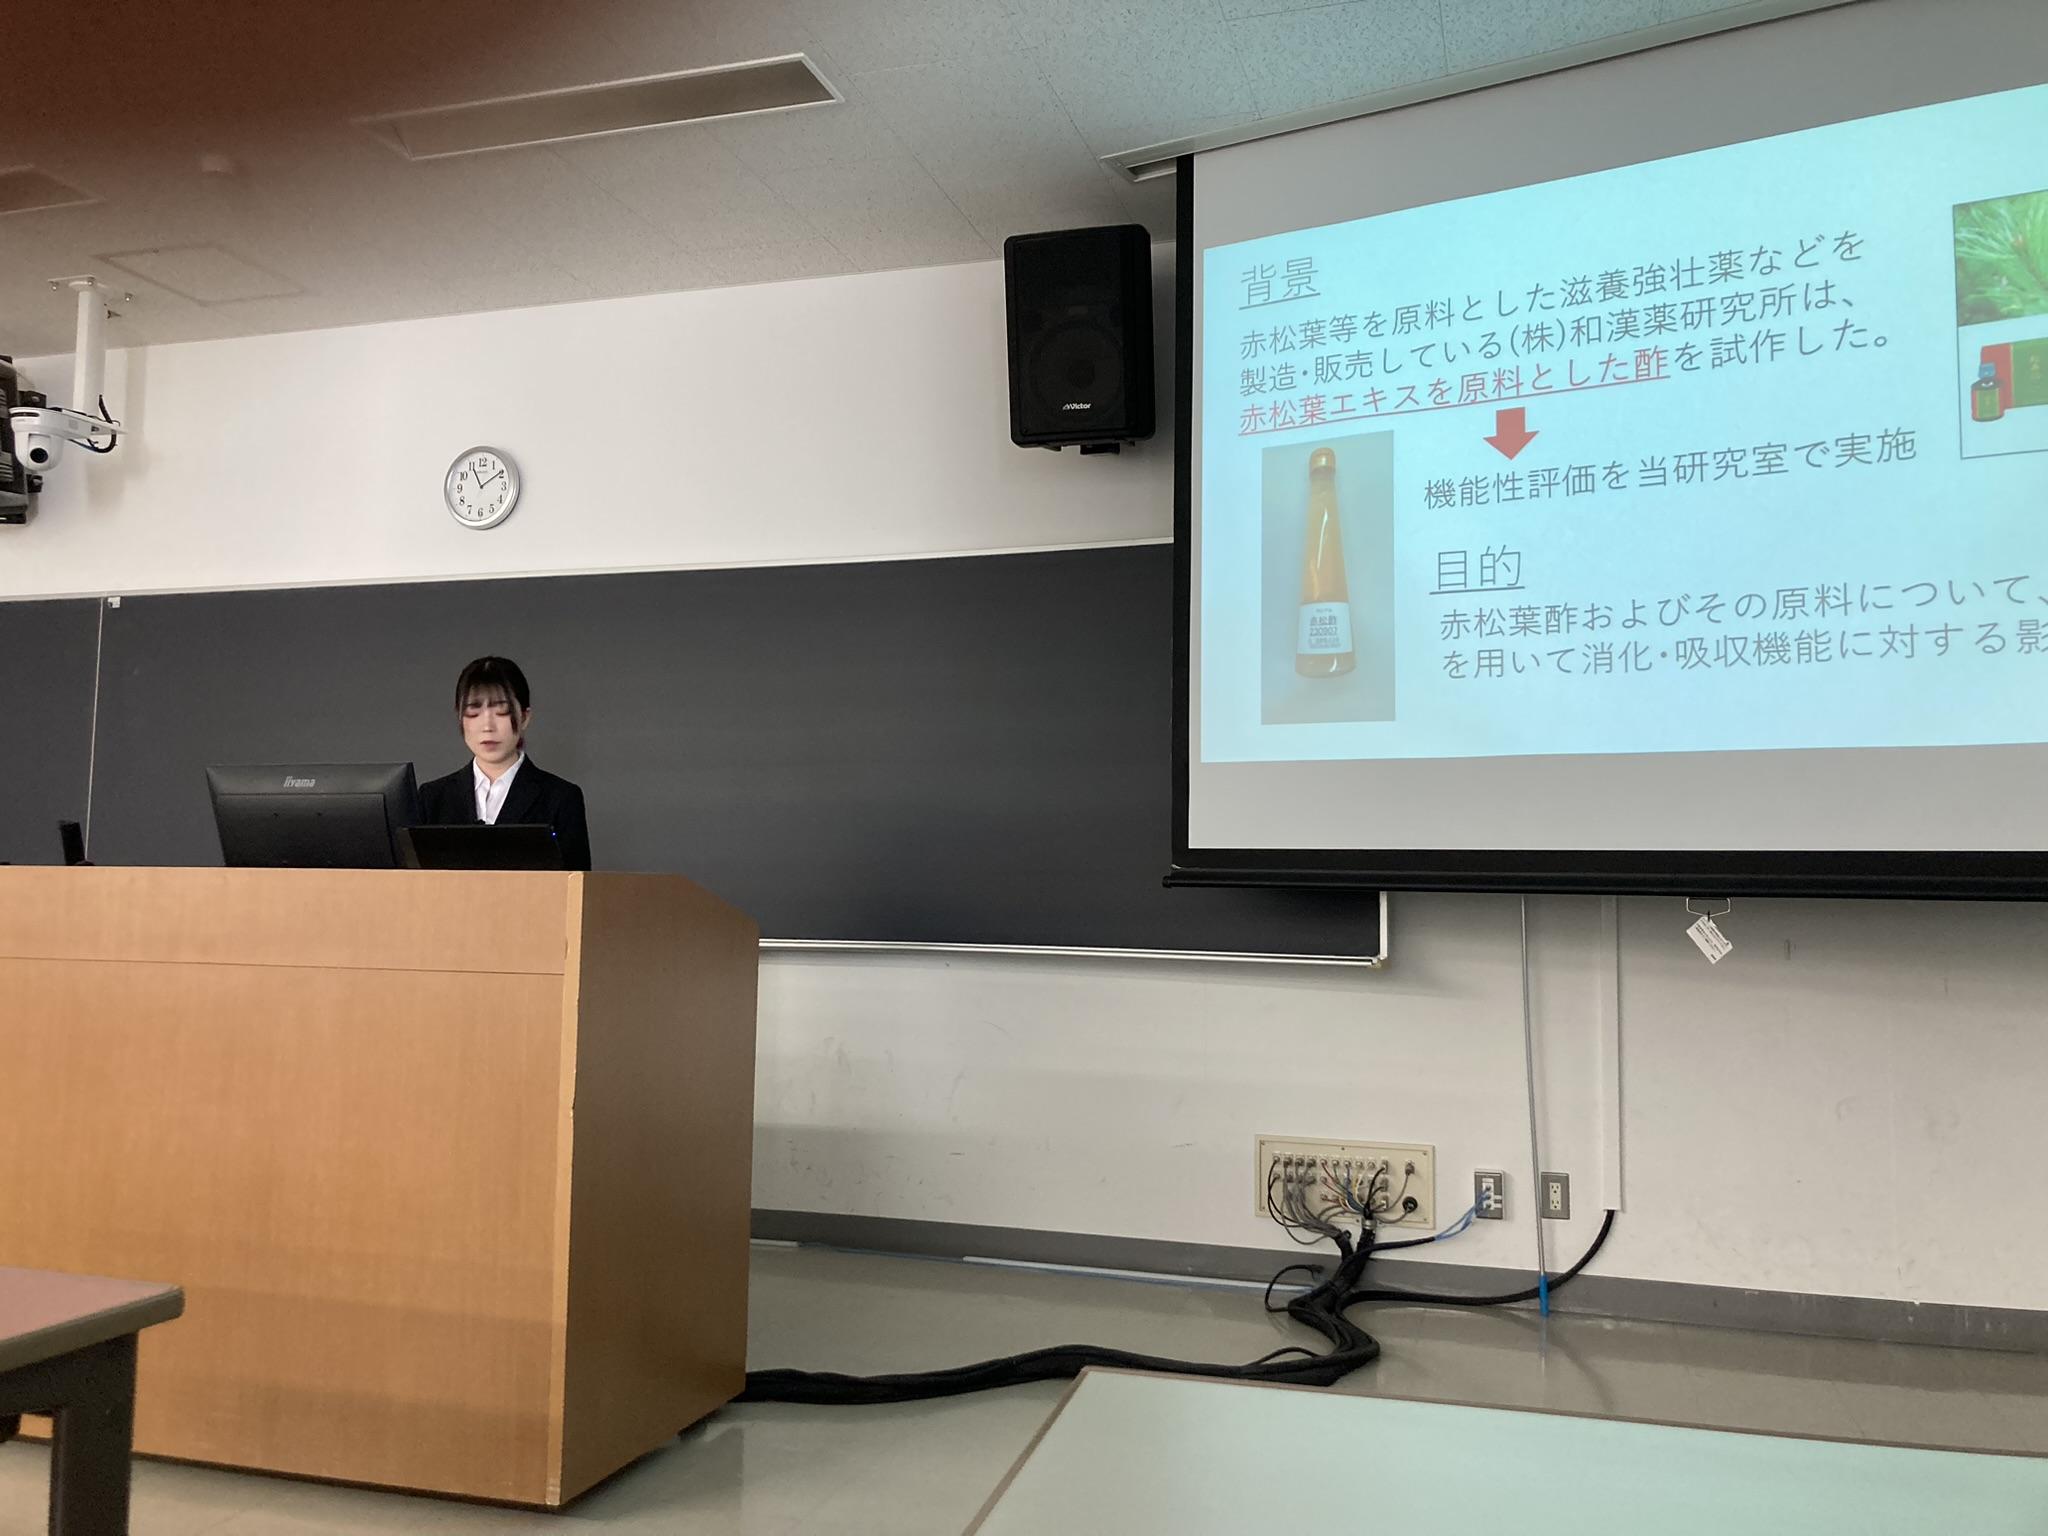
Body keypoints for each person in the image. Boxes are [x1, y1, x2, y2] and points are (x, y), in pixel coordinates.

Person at [417, 656, 592, 870]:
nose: (487, 726)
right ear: (460, 717)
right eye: (473, 711)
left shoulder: (560, 798)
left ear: (524, 717)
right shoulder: (432, 798)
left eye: (501, 711)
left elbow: (576, 884)